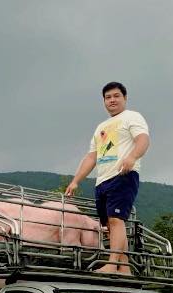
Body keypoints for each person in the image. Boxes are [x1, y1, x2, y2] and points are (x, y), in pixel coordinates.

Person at [65, 81, 150, 274]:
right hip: (102, 180)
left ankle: (112, 264)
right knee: (111, 225)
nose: (112, 100)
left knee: (116, 220)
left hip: (123, 175)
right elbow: (91, 157)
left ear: (125, 98)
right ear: (104, 101)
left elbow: (143, 139)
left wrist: (132, 157)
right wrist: (76, 180)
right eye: (108, 97)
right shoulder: (101, 127)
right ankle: (124, 268)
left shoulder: (132, 116)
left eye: (116, 96)